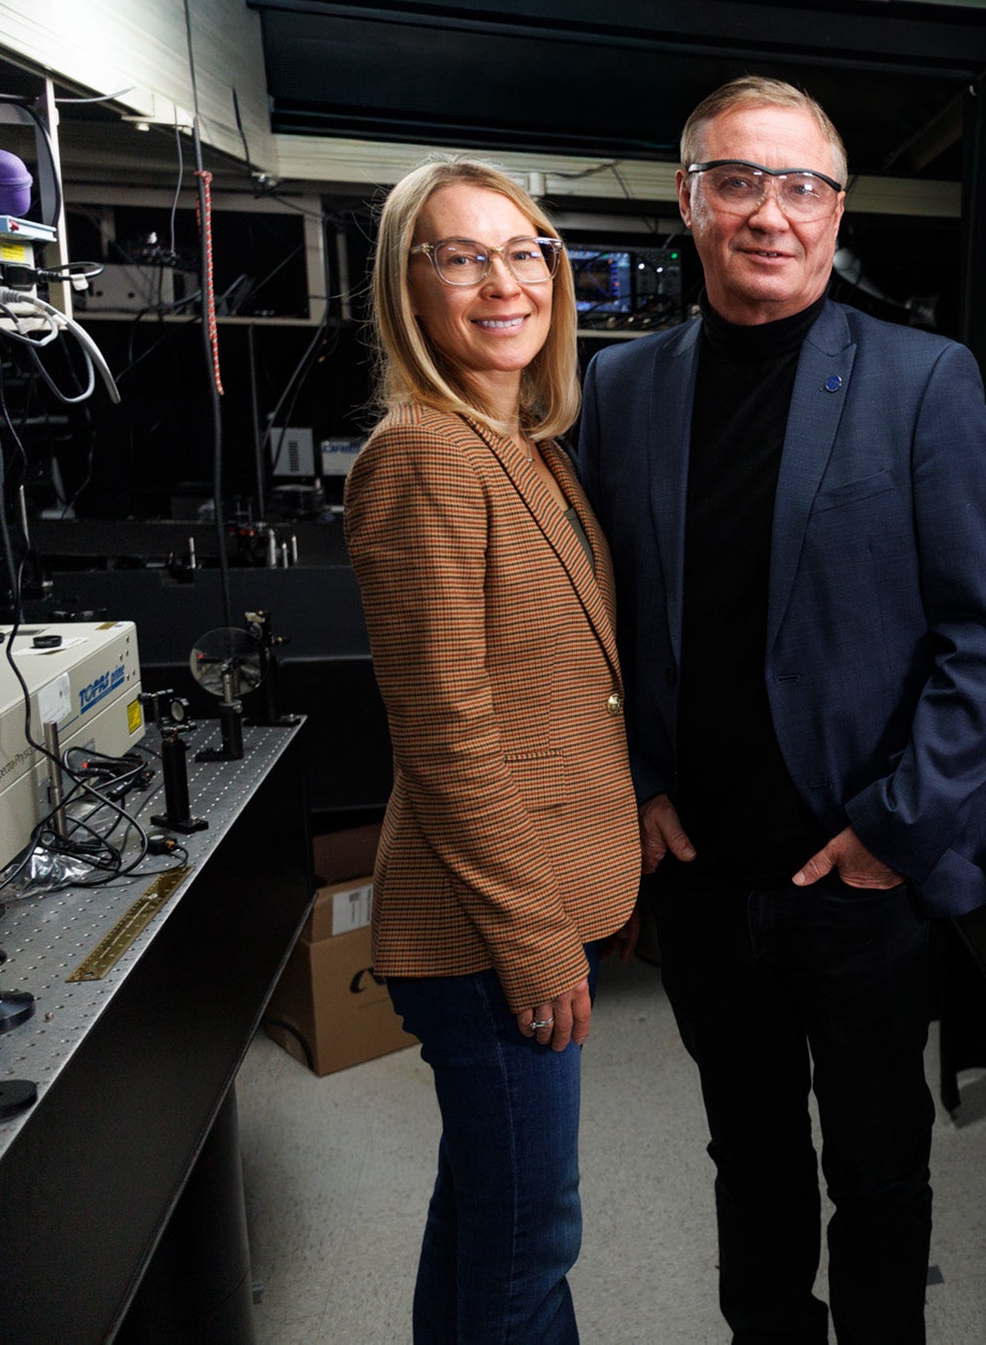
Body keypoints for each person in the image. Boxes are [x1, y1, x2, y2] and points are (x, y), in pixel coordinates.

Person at [576, 77, 986, 1343]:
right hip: (705, 876)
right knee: (750, 1161)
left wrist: (899, 827)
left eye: (801, 187)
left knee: (878, 1173)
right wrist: (637, 780)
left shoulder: (924, 381)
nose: (770, 214)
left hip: (857, 878)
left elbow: (985, 644)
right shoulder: (621, 390)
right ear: (688, 202)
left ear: (835, 209)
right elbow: (595, 625)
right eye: (738, 181)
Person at [345, 159, 641, 1344]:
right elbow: (447, 733)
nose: (504, 281)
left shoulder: (526, 447)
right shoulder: (422, 454)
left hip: (521, 908)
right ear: (407, 289)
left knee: (482, 1215)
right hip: (482, 933)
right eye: (461, 256)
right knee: (531, 1249)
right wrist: (532, 943)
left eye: (525, 251)